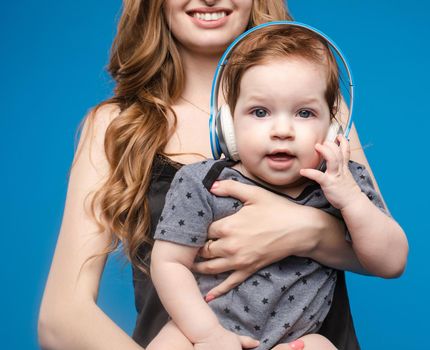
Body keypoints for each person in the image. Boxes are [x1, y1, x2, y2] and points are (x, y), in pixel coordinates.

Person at [38, 1, 408, 349]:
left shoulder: (322, 110)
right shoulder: (117, 127)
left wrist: (304, 230)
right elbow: (61, 316)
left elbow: (384, 253)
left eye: (303, 115)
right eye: (259, 113)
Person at [148, 24, 407, 350]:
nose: (282, 130)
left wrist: (351, 200)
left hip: (295, 341)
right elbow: (169, 263)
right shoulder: (202, 181)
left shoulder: (342, 182)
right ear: (228, 126)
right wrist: (208, 335)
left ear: (331, 129)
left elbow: (392, 262)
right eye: (260, 112)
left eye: (304, 113)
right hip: (204, 331)